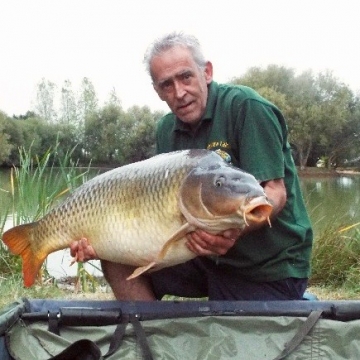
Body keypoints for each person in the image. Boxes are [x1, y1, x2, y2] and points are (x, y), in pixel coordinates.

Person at [70, 32, 313, 301]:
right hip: (204, 258)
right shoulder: (166, 129)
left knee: (231, 338)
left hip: (268, 266)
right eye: (167, 85)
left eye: (186, 77)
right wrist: (102, 242)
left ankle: (291, 301)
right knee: (116, 260)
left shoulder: (247, 108)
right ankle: (150, 336)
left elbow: (275, 192)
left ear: (206, 72)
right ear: (157, 91)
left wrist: (233, 232)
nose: (179, 93)